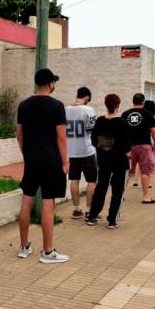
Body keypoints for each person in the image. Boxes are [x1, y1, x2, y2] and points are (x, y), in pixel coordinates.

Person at [16, 68, 70, 264]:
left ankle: (23, 247)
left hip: (32, 161)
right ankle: (47, 252)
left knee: (27, 201)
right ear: (50, 83)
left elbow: (19, 134)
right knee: (48, 203)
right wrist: (65, 161)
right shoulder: (57, 106)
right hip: (51, 161)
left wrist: (26, 154)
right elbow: (61, 136)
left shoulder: (24, 105)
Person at [87, 94, 131, 228]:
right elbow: (126, 146)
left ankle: (92, 216)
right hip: (119, 161)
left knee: (101, 187)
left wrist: (106, 146)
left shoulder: (100, 121)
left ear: (106, 105)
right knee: (118, 191)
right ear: (118, 105)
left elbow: (94, 140)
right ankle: (112, 220)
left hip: (103, 159)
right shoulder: (122, 123)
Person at [65, 87, 97, 220]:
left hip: (72, 151)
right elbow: (93, 131)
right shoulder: (88, 110)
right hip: (87, 150)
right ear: (87, 98)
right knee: (91, 181)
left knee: (74, 180)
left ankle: (76, 210)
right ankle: (89, 211)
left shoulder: (65, 110)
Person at [122, 93, 155, 204]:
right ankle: (146, 196)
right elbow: (154, 131)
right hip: (144, 146)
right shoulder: (148, 114)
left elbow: (121, 131)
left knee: (127, 171)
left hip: (129, 147)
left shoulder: (125, 114)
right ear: (143, 102)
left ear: (133, 101)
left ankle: (121, 195)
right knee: (145, 171)